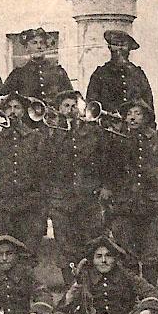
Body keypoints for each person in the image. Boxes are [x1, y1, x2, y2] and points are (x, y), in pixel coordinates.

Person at [106, 98, 158, 285]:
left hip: (150, 205)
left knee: (150, 256)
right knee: (126, 255)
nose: (132, 118)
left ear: (146, 117)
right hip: (124, 205)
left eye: (137, 113)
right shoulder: (117, 136)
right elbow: (104, 160)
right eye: (129, 114)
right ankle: (131, 298)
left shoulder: (156, 137)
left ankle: (151, 297)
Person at [38, 88, 110, 284]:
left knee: (92, 244)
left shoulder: (92, 130)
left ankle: (93, 289)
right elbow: (44, 163)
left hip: (88, 199)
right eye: (66, 106)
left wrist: (104, 186)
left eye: (73, 106)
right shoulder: (50, 132)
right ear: (59, 109)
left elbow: (105, 160)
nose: (70, 110)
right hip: (61, 201)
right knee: (66, 250)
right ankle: (72, 291)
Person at [0, 94, 46, 263]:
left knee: (28, 254)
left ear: (24, 112)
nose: (13, 111)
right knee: (3, 253)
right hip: (2, 206)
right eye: (9, 108)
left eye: (17, 107)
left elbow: (43, 171)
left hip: (30, 206)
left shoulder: (35, 138)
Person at [0, 28, 73, 110]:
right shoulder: (19, 73)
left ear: (46, 47)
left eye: (42, 43)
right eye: (34, 43)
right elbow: (2, 97)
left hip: (53, 119)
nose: (39, 47)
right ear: (27, 48)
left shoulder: (58, 71)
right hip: (28, 121)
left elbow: (71, 97)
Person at [85, 30, 155, 117]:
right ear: (110, 47)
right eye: (116, 45)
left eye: (123, 45)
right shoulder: (100, 74)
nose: (119, 49)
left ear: (129, 48)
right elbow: (91, 104)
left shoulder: (138, 74)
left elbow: (148, 103)